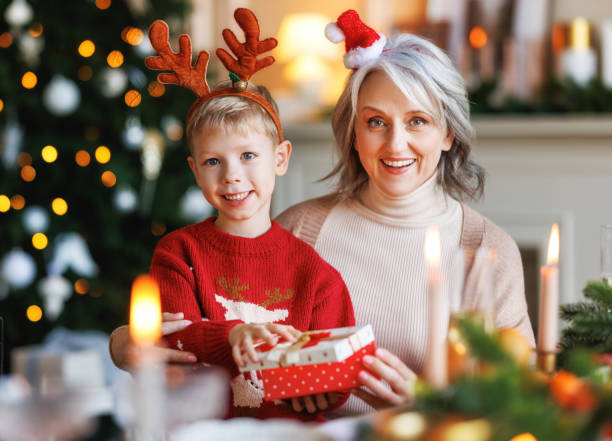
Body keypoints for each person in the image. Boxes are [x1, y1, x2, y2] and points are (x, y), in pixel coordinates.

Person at [110, 9, 534, 416]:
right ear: (353, 133)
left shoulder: (487, 252)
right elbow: (205, 326)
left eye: (418, 121)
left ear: (448, 133)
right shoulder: (301, 229)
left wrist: (425, 408)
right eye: (376, 122)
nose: (395, 144)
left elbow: (524, 407)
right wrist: (121, 343)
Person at [115, 10, 355, 421]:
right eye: (213, 162)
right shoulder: (178, 253)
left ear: (280, 158)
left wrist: (323, 390)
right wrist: (232, 335)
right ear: (194, 170)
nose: (232, 177)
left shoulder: (316, 275)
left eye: (248, 156)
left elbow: (337, 370)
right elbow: (172, 341)